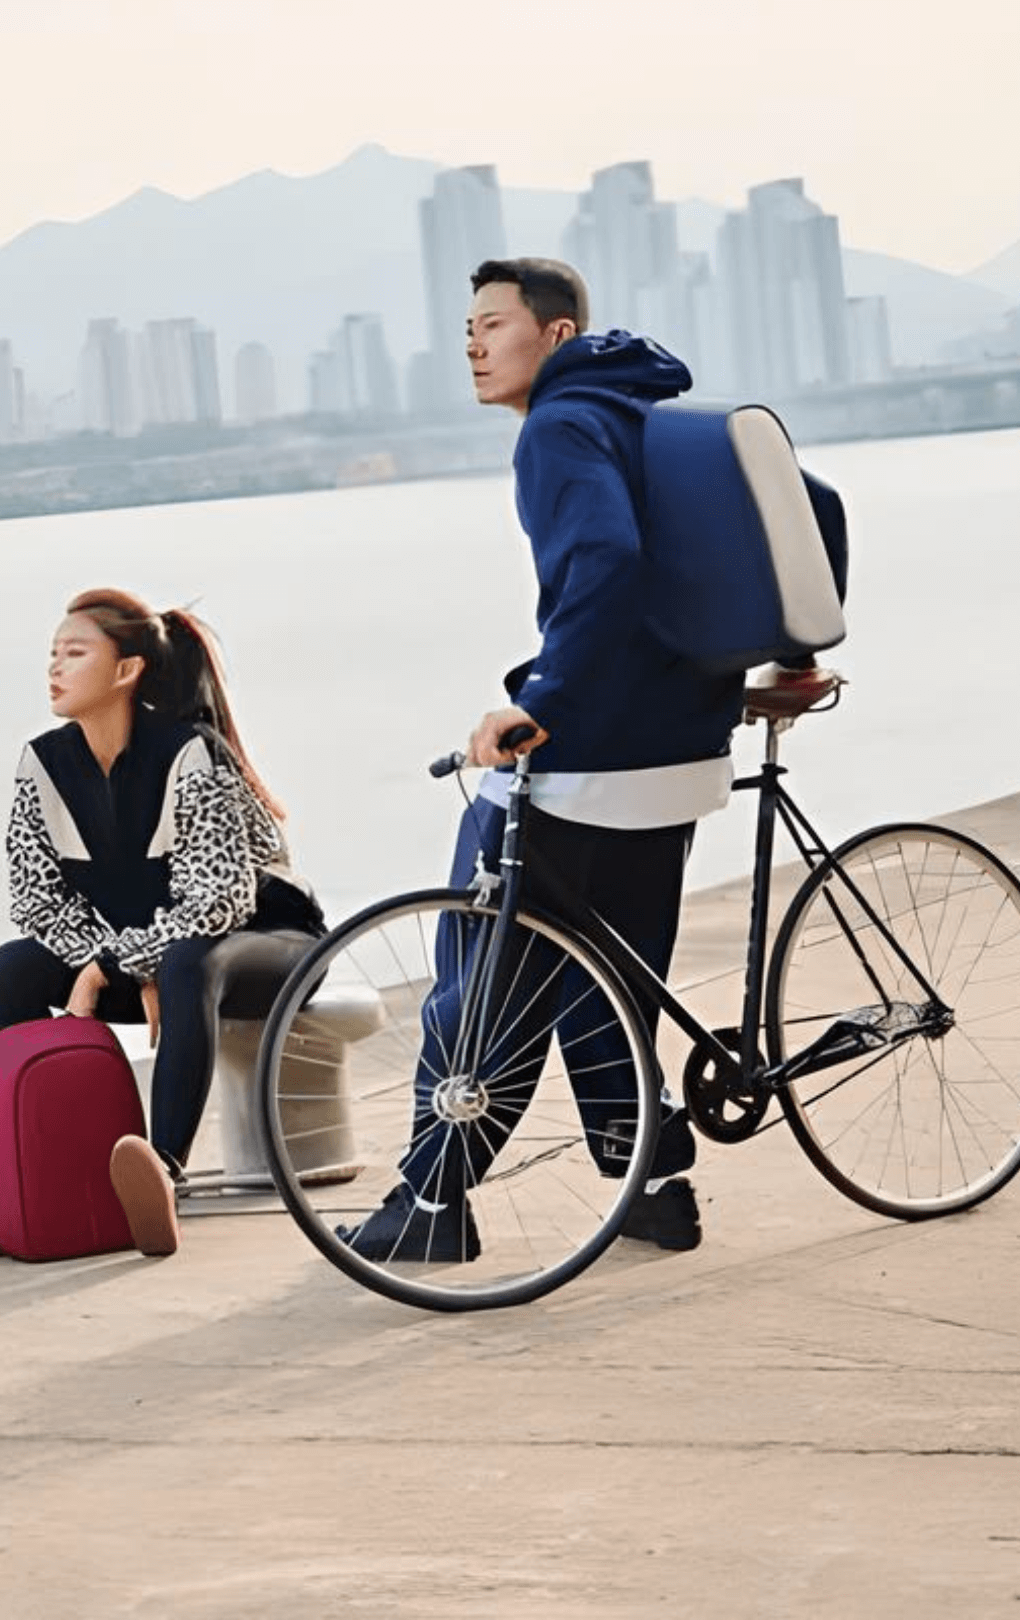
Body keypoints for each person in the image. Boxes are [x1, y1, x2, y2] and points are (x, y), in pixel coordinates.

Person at [341, 257, 747, 1262]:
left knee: (486, 976)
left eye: (493, 324)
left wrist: (537, 703)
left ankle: (432, 1206)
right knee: (607, 974)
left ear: (555, 337)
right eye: (467, 328)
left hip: (594, 759)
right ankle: (652, 1183)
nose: (472, 346)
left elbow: (606, 566)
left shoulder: (559, 427)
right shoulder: (652, 415)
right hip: (680, 754)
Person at [0, 588, 324, 1257]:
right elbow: (35, 900)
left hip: (272, 952)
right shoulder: (44, 766)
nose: (54, 668)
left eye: (74, 653)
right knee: (11, 968)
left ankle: (162, 1172)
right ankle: (69, 1160)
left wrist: (115, 967)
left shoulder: (192, 754)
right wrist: (105, 963)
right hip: (164, 964)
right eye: (51, 654)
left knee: (191, 959)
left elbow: (218, 903)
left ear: (126, 670)